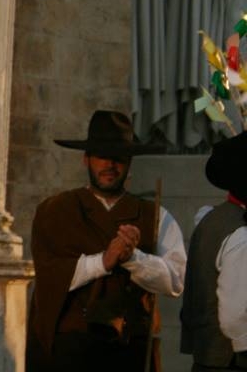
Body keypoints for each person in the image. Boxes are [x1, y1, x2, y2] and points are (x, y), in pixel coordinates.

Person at [26, 110, 187, 372]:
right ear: (86, 159)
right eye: (102, 156)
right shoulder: (54, 211)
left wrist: (133, 258)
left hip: (129, 353)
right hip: (70, 352)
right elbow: (50, 274)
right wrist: (104, 260)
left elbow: (175, 281)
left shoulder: (155, 216)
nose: (110, 165)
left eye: (119, 158)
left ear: (130, 162)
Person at [180, 131, 247, 371]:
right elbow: (234, 317)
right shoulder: (240, 232)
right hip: (230, 362)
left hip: (208, 360)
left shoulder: (212, 218)